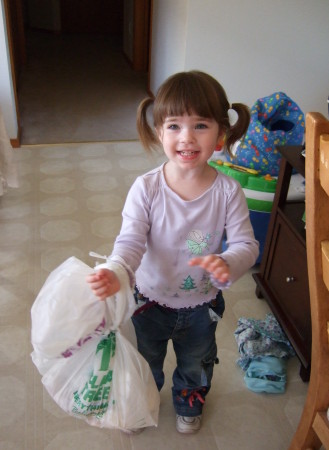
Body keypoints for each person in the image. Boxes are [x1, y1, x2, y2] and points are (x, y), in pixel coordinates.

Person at [86, 70, 259, 434]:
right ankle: (143, 404)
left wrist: (228, 261)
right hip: (148, 300)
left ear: (220, 134)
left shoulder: (228, 192)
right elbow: (130, 240)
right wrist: (116, 271)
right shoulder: (146, 188)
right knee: (146, 361)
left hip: (201, 306)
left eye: (200, 125)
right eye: (174, 126)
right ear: (158, 132)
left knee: (195, 363)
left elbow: (247, 245)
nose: (186, 137)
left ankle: (187, 404)